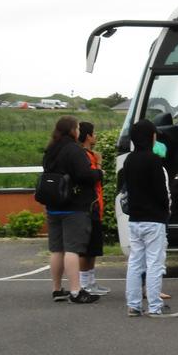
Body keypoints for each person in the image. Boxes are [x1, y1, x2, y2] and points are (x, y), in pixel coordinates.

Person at [43, 115, 103, 304]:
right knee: (72, 249)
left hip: (53, 204)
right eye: (77, 128)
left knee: (56, 249)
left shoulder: (51, 149)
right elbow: (85, 175)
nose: (78, 131)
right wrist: (99, 172)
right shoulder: (74, 150)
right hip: (74, 205)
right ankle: (76, 291)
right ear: (72, 130)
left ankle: (57, 289)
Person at [122, 119, 178, 317]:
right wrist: (165, 210)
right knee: (154, 263)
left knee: (135, 262)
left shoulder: (129, 160)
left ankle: (134, 305)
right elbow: (161, 192)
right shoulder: (154, 161)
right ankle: (155, 306)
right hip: (154, 218)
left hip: (135, 218)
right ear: (150, 136)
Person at [76, 121, 109, 297]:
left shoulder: (91, 155)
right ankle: (84, 283)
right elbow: (91, 177)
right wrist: (99, 168)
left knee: (94, 247)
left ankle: (91, 281)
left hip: (96, 205)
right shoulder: (83, 156)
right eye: (94, 133)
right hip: (88, 205)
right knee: (85, 247)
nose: (96, 136)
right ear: (88, 136)